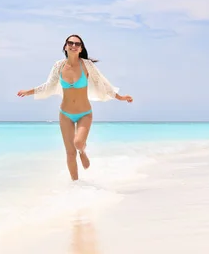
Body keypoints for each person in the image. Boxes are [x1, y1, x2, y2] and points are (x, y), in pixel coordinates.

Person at [17, 34, 133, 181]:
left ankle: (83, 151)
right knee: (70, 152)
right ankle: (75, 186)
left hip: (85, 113)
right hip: (65, 114)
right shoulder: (58, 66)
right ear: (65, 46)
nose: (73, 45)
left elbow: (102, 84)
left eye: (77, 44)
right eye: (70, 43)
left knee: (78, 143)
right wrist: (29, 92)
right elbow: (48, 86)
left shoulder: (87, 65)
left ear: (81, 48)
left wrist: (120, 97)